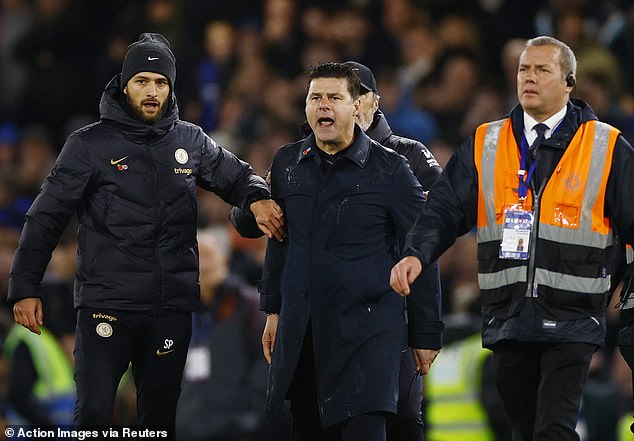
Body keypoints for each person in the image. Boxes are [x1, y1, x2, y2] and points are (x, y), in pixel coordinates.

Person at [6, 33, 284, 436]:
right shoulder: (88, 145)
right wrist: (25, 285)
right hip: (107, 304)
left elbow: (237, 175)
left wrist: (257, 197)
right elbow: (45, 217)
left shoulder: (190, 140)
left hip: (168, 307)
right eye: (142, 81)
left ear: (170, 87)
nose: (152, 91)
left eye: (160, 82)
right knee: (96, 413)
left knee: (158, 421)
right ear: (124, 85)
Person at [390, 35, 634, 441]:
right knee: (522, 430)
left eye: (542, 70)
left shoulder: (606, 146)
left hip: (573, 317)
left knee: (553, 429)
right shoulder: (488, 141)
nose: (529, 78)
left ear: (569, 82)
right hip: (508, 317)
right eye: (524, 69)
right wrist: (417, 252)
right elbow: (446, 208)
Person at [230, 60, 443, 441]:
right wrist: (274, 309)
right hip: (309, 330)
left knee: (396, 420)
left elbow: (423, 248)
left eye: (334, 97)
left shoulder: (396, 166)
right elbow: (280, 240)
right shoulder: (289, 162)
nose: (323, 105)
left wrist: (425, 333)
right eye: (315, 98)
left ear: (359, 105)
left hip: (371, 331)